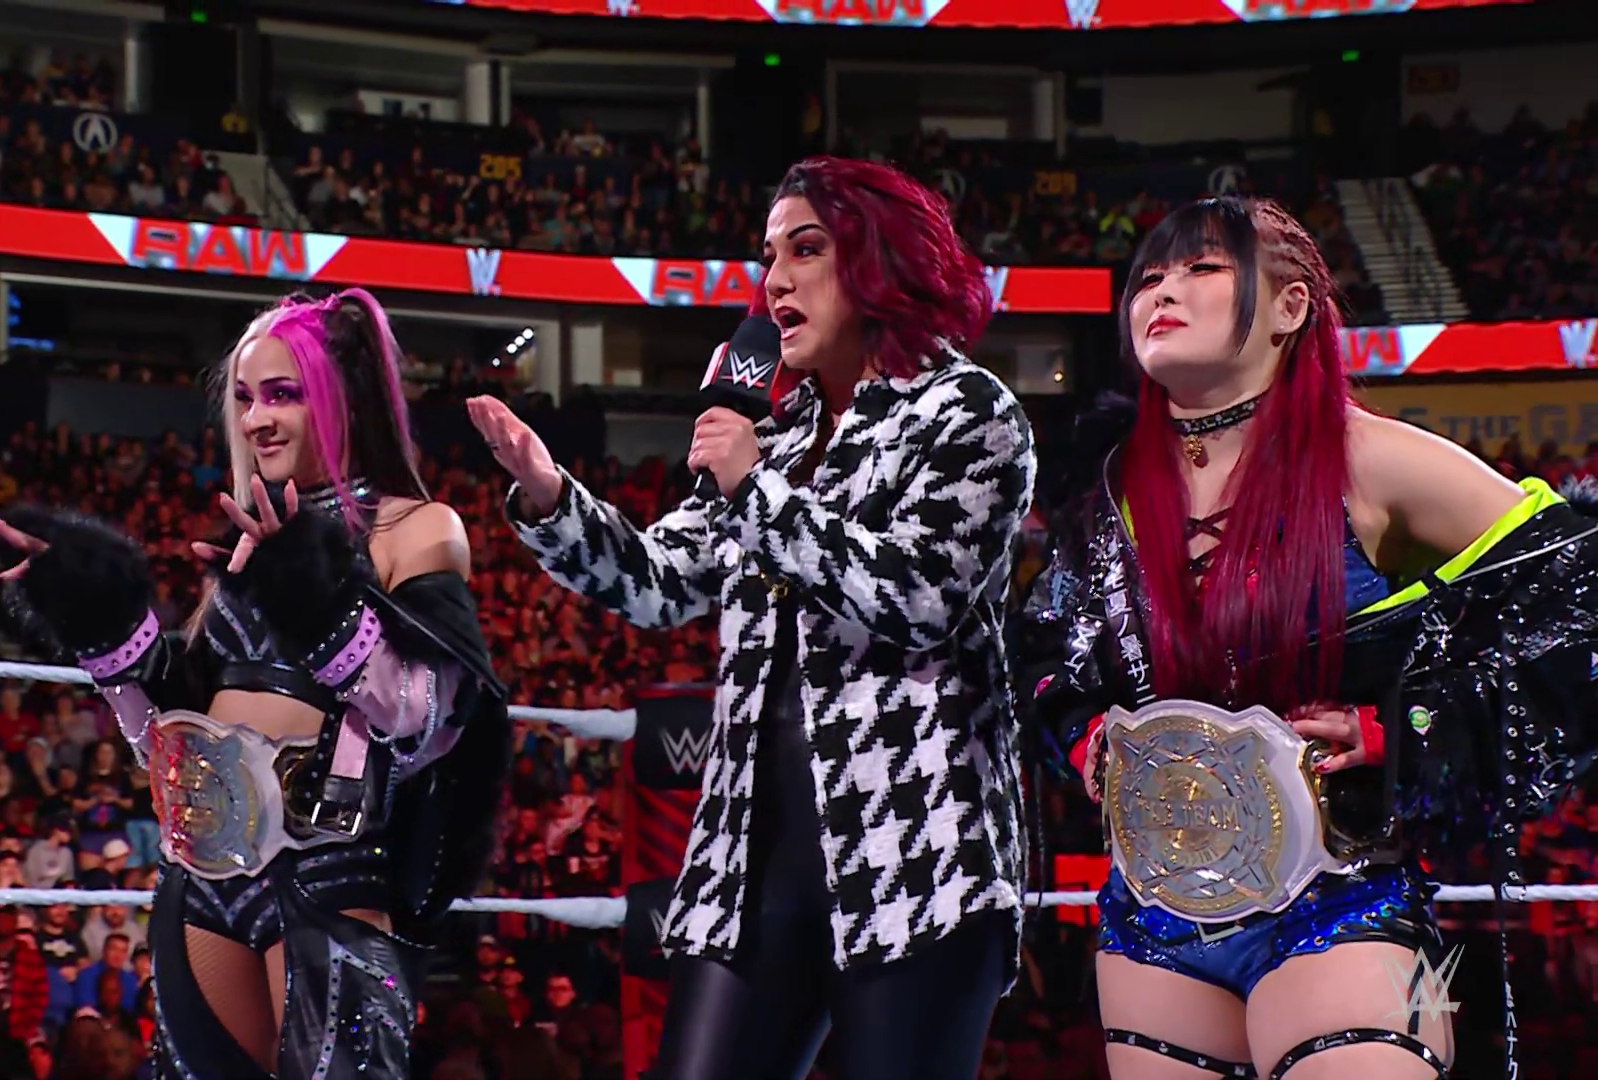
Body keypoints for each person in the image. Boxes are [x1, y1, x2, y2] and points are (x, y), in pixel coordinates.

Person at [470, 156, 1035, 1080]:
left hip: (917, 854)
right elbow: (657, 584)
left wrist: (754, 492)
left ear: (879, 260)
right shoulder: (770, 437)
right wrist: (547, 496)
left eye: (805, 249)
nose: (774, 280)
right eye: (768, 256)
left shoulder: (967, 412)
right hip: (750, 858)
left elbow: (921, 596)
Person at [1022, 195, 1598, 1079]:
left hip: (1351, 903)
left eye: (1202, 267)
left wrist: (1407, 729)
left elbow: (1578, 593)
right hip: (1151, 920)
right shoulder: (1106, 493)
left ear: (1290, 307)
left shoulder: (1369, 459)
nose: (1162, 291)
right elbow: (1041, 654)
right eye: (1148, 277)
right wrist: (1087, 735)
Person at [0, 288, 511, 1079]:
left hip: (329, 866)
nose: (257, 418)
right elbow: (164, 735)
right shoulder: (243, 546)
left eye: (282, 394)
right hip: (206, 874)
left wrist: (322, 609)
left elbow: (428, 716)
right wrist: (101, 618)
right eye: (244, 398)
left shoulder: (414, 526)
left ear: (340, 398)